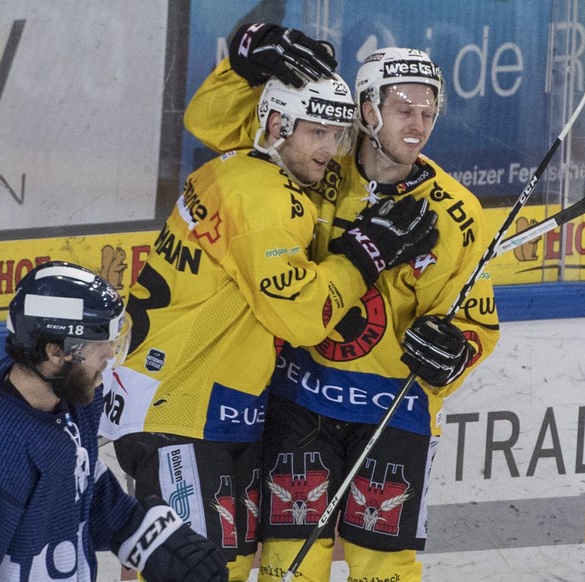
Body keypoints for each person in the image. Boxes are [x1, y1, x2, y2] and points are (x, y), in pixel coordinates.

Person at [106, 33, 440, 581]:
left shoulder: (249, 164)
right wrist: (363, 255)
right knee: (186, 570)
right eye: (317, 132)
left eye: (338, 133)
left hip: (209, 406)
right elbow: (300, 317)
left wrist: (239, 69)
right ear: (278, 126)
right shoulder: (262, 195)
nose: (330, 149)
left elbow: (207, 121)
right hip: (181, 407)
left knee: (212, 566)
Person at [184, 23, 501, 582]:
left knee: (387, 569)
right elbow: (208, 122)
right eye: (403, 107)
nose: (418, 123)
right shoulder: (316, 157)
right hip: (299, 399)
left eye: (428, 111)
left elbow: (478, 322)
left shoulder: (459, 211)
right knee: (289, 563)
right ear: (367, 108)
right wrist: (243, 61)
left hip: (395, 408)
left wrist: (457, 354)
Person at [0, 261, 228, 582]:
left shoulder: (70, 391)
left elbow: (73, 478)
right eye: (102, 339)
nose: (111, 353)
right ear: (56, 352)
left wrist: (143, 533)